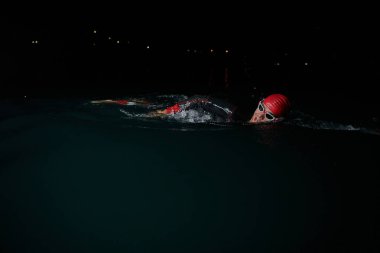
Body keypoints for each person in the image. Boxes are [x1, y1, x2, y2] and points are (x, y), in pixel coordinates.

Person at [91, 94, 291, 124]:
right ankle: (110, 101)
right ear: (259, 102)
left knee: (150, 103)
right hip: (189, 105)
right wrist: (168, 112)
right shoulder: (234, 114)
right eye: (261, 107)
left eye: (269, 116)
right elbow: (200, 100)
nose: (260, 115)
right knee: (153, 109)